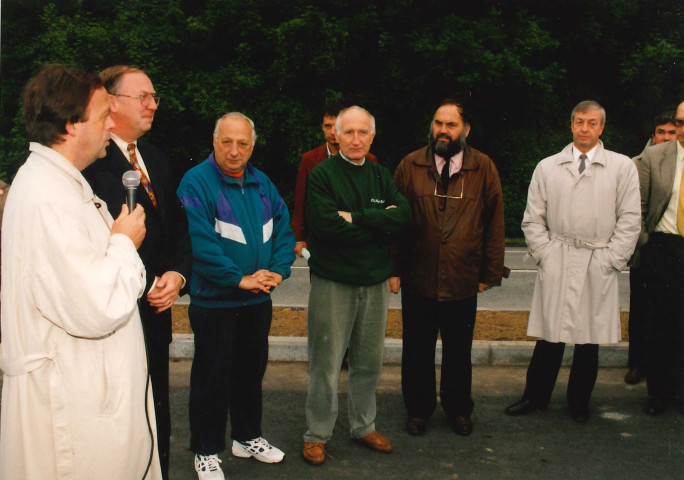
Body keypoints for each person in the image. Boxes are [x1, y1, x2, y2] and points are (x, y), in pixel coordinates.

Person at [0, 64, 161, 479]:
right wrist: (125, 242)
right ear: (71, 125)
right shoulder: (47, 196)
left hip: (86, 395)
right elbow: (97, 305)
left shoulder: (61, 184)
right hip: (71, 410)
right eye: (104, 115)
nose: (112, 124)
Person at [82, 65, 192, 479]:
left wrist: (178, 277)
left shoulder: (158, 161)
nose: (153, 105)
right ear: (112, 102)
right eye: (142, 96)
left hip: (157, 314)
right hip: (114, 319)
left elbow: (179, 230)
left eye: (154, 97)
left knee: (156, 406)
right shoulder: (89, 163)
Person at [504, 100, 640, 423]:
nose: (584, 129)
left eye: (592, 123)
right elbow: (532, 219)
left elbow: (631, 220)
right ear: (571, 125)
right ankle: (534, 397)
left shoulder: (622, 168)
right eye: (579, 122)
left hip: (597, 258)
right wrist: (546, 255)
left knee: (588, 339)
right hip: (559, 256)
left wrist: (610, 260)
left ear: (602, 127)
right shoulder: (548, 167)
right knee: (550, 335)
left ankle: (579, 402)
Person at [177, 112, 295, 480]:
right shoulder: (195, 182)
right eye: (226, 141)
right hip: (215, 304)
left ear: (252, 146)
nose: (234, 150)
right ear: (214, 142)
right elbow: (201, 244)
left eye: (242, 143)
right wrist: (238, 279)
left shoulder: (262, 182)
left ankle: (246, 437)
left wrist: (277, 270)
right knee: (211, 380)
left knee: (250, 373)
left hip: (257, 302)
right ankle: (206, 450)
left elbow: (283, 231)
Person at [302, 106, 412, 466]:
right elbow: (325, 227)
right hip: (333, 281)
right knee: (326, 362)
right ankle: (316, 434)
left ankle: (363, 425)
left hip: (375, 283)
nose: (355, 139)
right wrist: (376, 226)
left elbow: (403, 217)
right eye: (348, 132)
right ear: (336, 134)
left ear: (372, 136)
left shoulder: (380, 175)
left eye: (363, 132)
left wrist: (358, 218)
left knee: (368, 361)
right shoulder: (322, 175)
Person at [393, 99, 505, 436]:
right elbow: (393, 222)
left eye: (451, 124)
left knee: (459, 352)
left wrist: (490, 273)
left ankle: (459, 409)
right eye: (438, 122)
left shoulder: (483, 168)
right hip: (418, 277)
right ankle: (418, 410)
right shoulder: (410, 165)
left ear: (465, 130)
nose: (443, 130)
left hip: (462, 278)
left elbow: (495, 223)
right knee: (416, 351)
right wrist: (393, 268)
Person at [636, 100, 684, 415]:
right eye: (679, 121)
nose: (681, 129)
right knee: (662, 325)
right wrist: (645, 244)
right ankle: (660, 394)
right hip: (665, 248)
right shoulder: (653, 157)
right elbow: (636, 208)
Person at [625, 111, 676, 386]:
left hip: (672, 250)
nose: (666, 137)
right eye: (661, 132)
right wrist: (643, 243)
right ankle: (637, 363)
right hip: (646, 248)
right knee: (642, 309)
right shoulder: (637, 164)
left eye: (671, 131)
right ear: (652, 136)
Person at [292, 102, 378, 258]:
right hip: (321, 241)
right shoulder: (310, 160)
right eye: (327, 126)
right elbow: (301, 201)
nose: (333, 132)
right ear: (322, 128)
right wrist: (299, 238)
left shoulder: (370, 160)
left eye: (336, 126)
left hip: (358, 239)